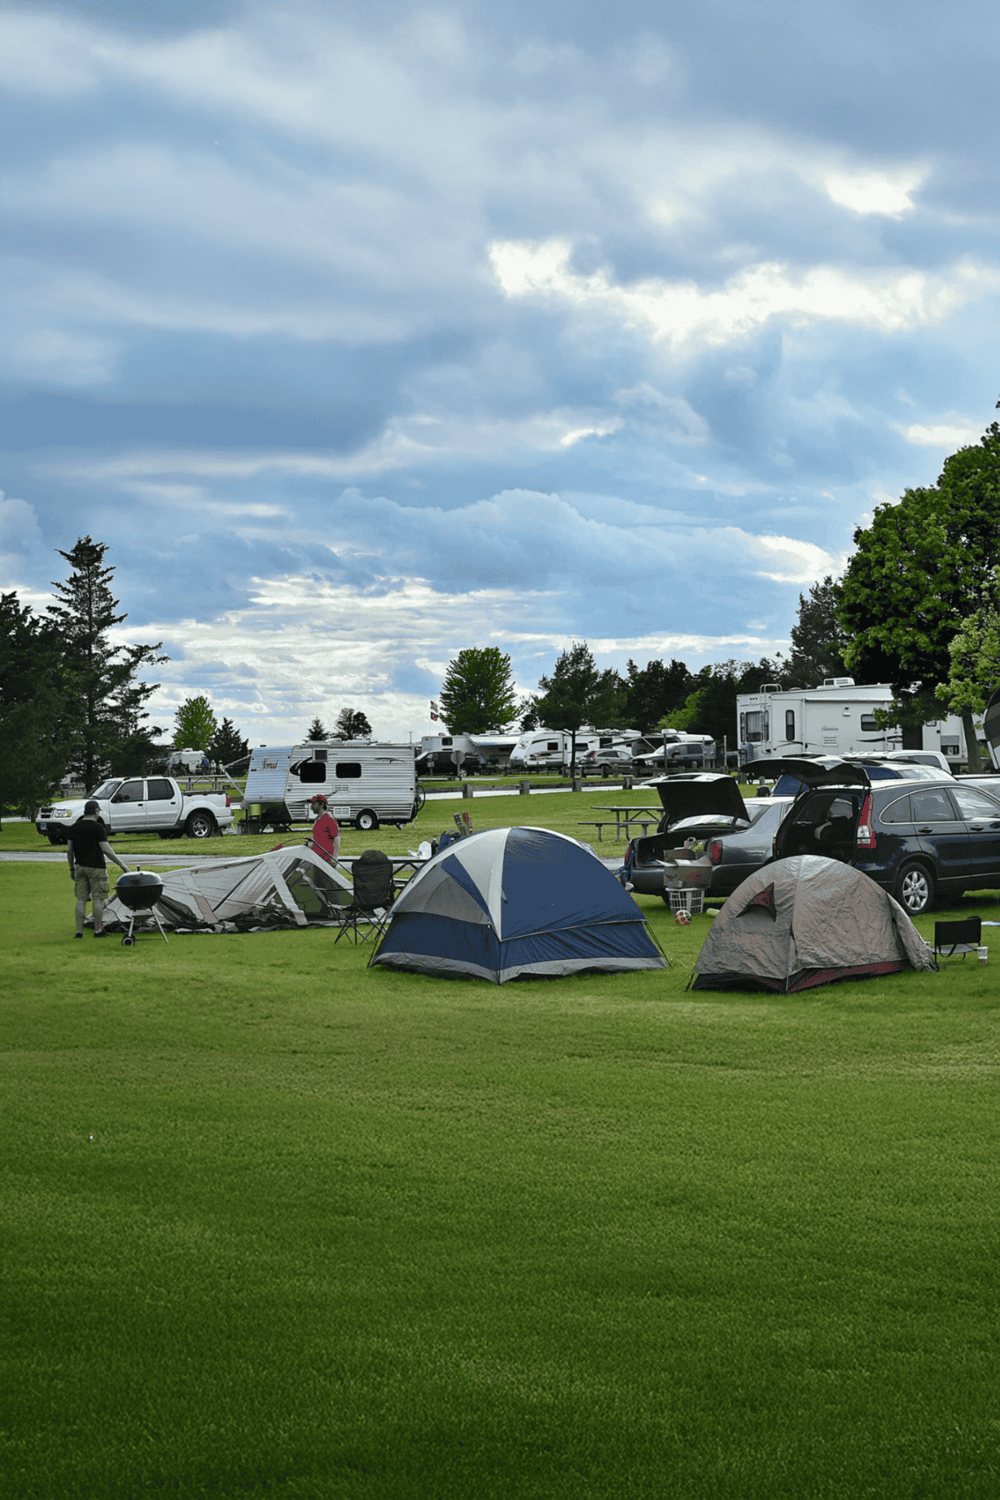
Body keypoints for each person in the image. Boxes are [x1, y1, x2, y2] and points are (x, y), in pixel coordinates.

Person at [67, 799, 130, 939]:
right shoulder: (98, 828)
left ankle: (79, 932)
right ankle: (98, 930)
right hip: (97, 867)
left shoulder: (74, 827)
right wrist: (122, 865)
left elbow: (69, 851)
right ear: (96, 811)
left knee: (81, 899)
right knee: (98, 899)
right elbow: (106, 849)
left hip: (79, 867)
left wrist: (71, 869)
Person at [308, 794, 341, 864]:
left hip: (327, 859)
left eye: (314, 804)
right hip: (317, 858)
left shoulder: (329, 818)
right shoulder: (317, 820)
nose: (311, 807)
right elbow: (316, 839)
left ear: (322, 804)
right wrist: (308, 846)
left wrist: (334, 856)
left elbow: (336, 837)